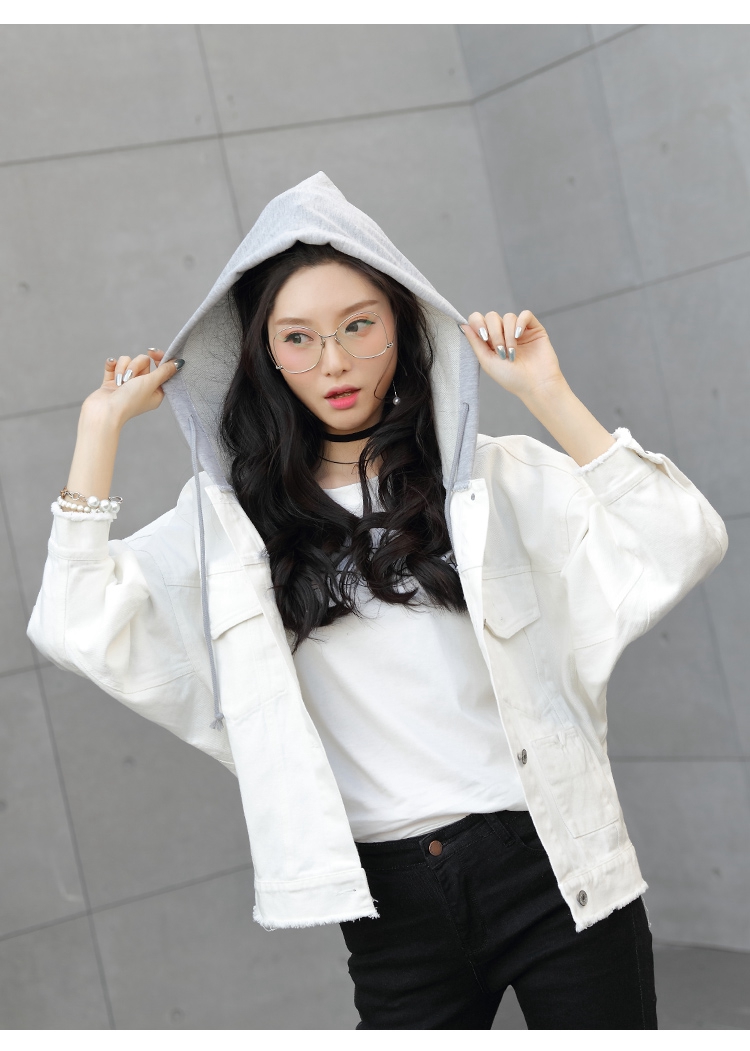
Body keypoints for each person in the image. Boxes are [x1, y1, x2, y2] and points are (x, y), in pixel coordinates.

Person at [28, 173, 727, 1030]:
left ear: (402, 323)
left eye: (358, 325)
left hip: (552, 860)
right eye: (298, 337)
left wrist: (547, 393)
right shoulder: (231, 528)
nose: (333, 361)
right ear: (264, 353)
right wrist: (97, 431)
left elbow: (683, 538)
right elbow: (73, 622)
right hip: (392, 900)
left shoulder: (489, 476)